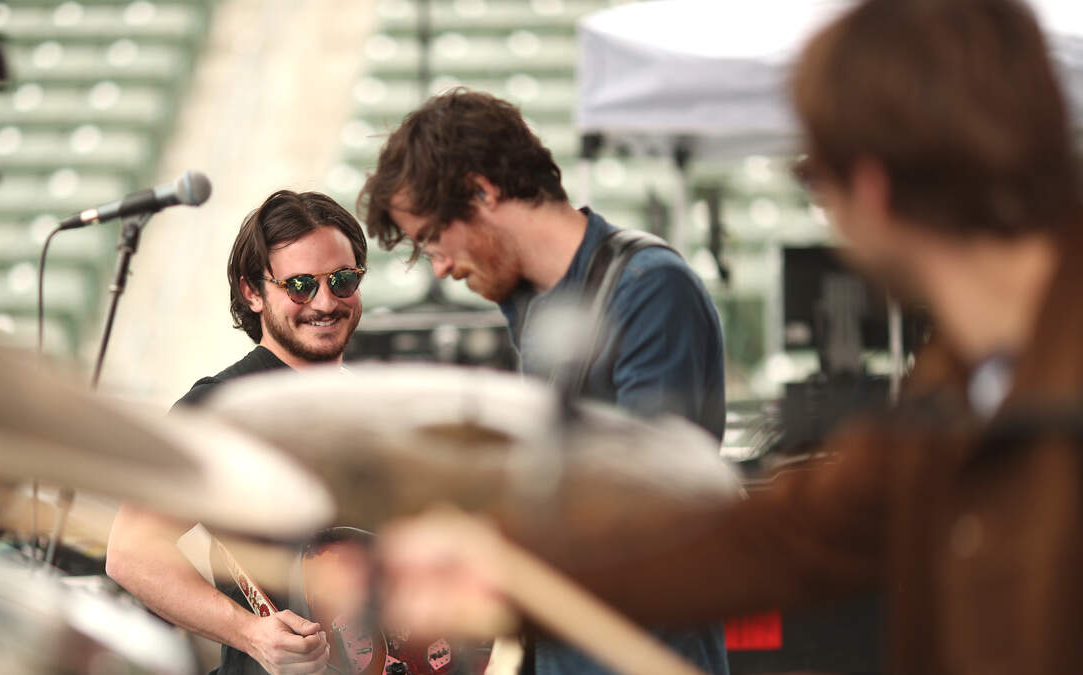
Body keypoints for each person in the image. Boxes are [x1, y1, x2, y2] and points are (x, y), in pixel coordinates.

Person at [375, 0, 1083, 673]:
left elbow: (682, 509)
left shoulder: (647, 284)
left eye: (815, 179)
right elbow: (787, 536)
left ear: (871, 184)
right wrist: (503, 570)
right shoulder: (961, 377)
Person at [359, 90, 728, 674]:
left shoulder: (649, 287)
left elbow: (654, 503)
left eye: (432, 238)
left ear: (482, 193)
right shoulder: (532, 304)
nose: (440, 268)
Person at [106, 189, 368, 675]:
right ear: (252, 293)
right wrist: (250, 633)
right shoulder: (219, 407)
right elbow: (131, 553)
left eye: (343, 279)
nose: (326, 301)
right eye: (300, 285)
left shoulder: (380, 407)